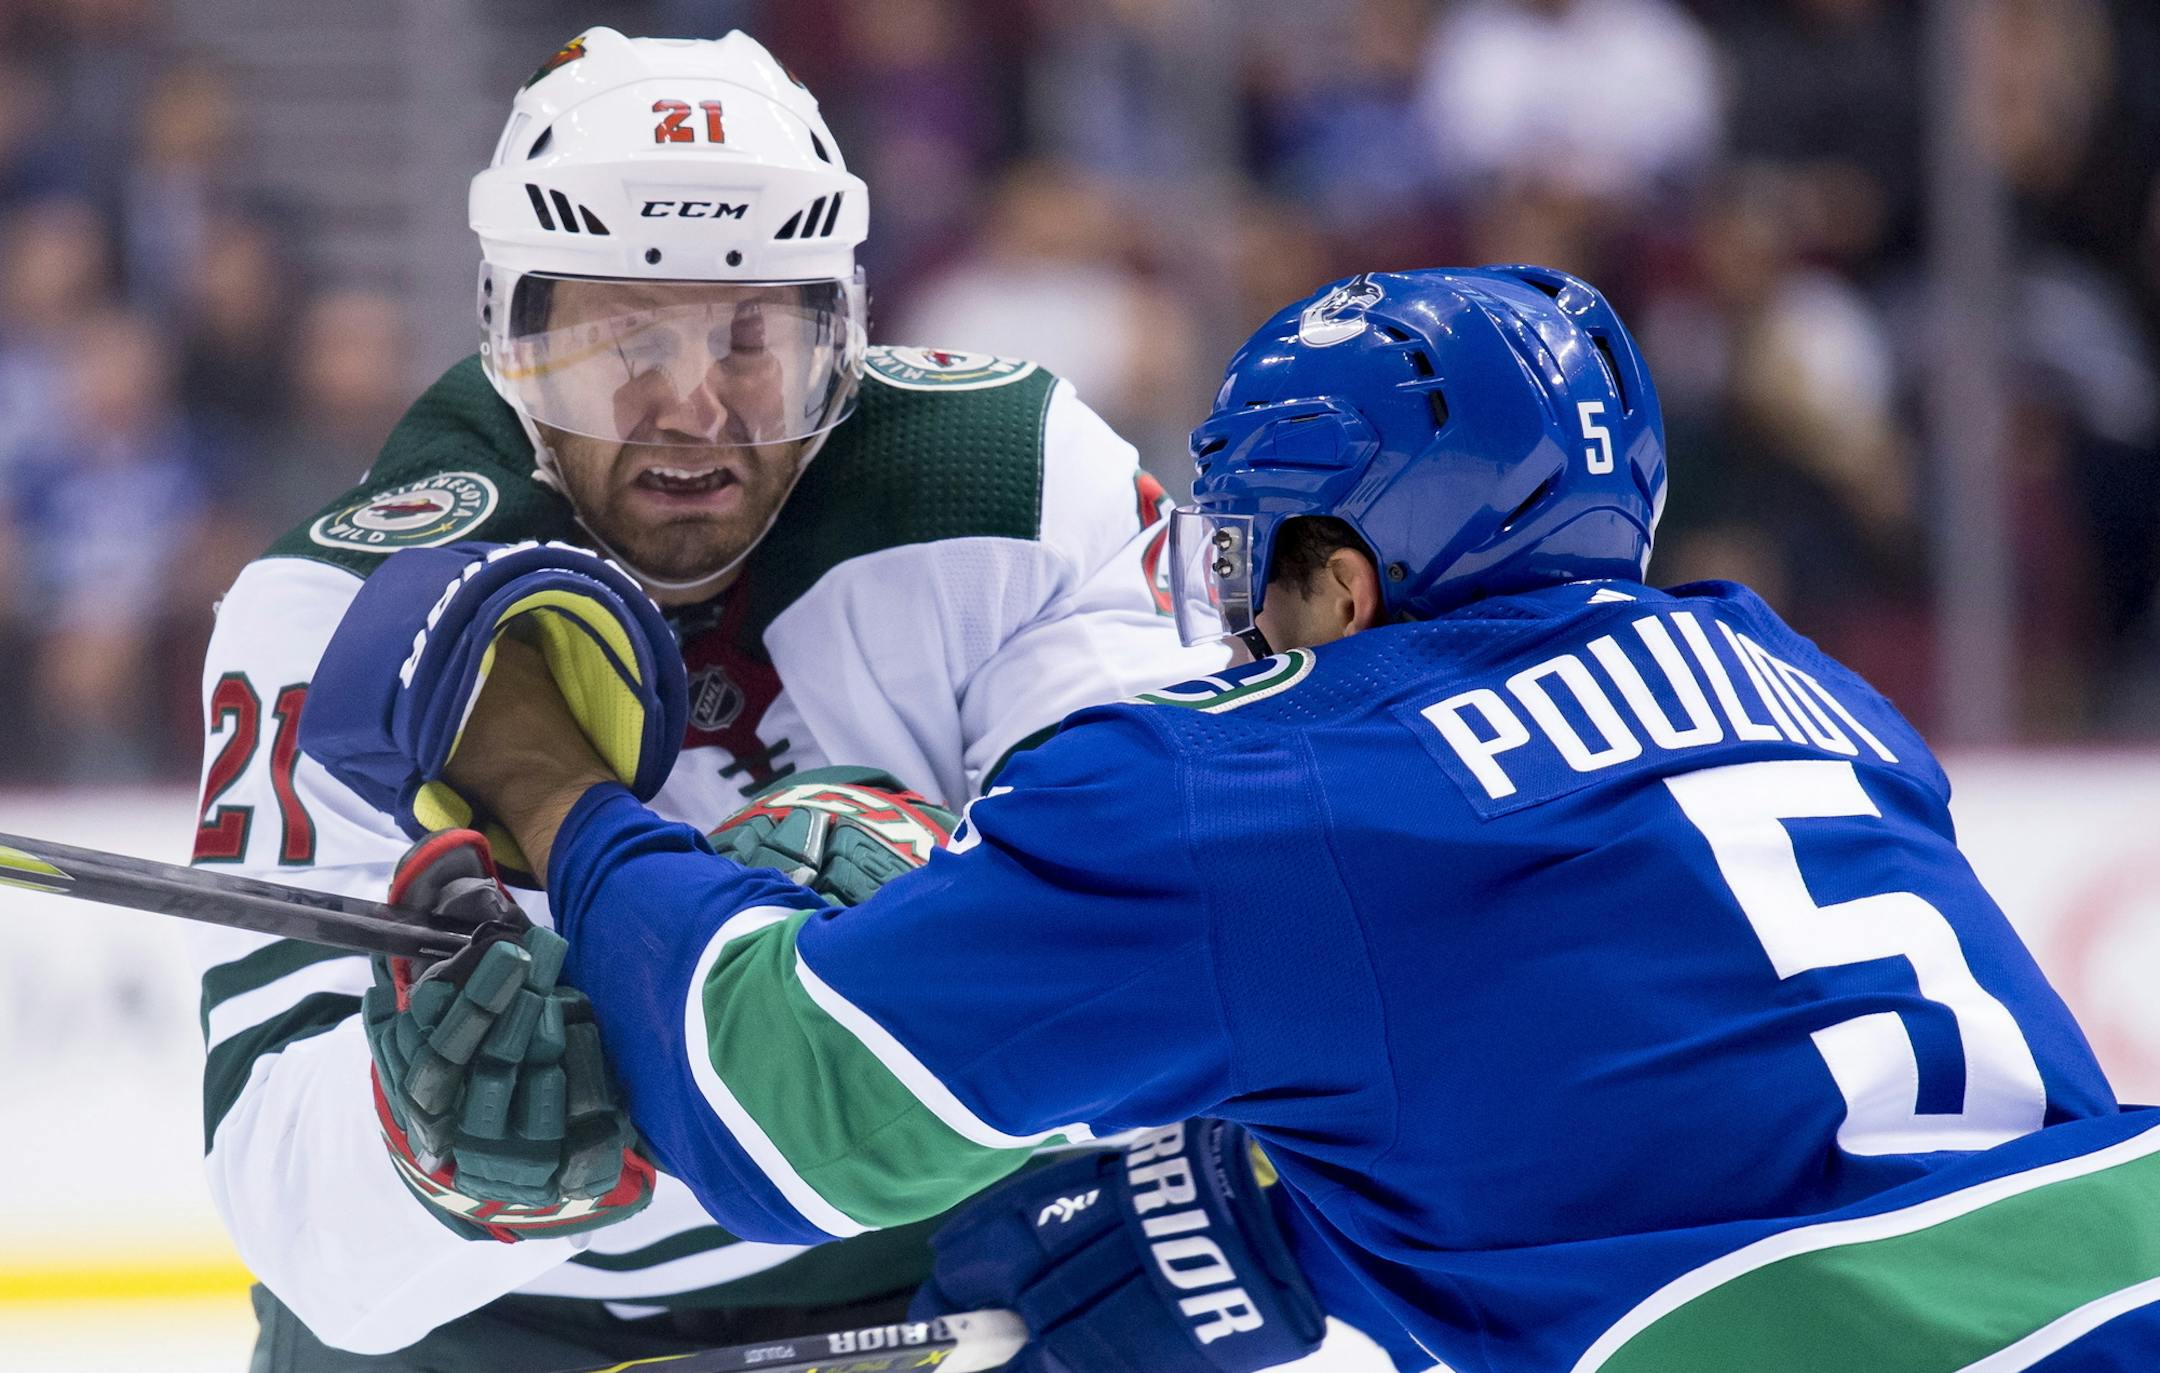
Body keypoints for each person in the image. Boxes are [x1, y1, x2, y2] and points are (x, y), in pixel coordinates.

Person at [338, 266, 2160, 1372]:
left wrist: (553, 794)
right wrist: (1290, 1220)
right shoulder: (1812, 696)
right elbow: (1673, 1103)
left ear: (1349, 576)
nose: (1229, 614)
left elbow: (787, 1097)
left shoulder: (1259, 778)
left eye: (1251, 555)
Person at [185, 26, 1230, 1369]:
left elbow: (1169, 945)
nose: (691, 411)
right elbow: (296, 1219)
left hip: (944, 1283)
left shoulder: (1018, 488)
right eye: (619, 341)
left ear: (845, 334)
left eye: (754, 340)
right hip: (503, 1329)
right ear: (510, 334)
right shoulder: (336, 614)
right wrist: (428, 1158)